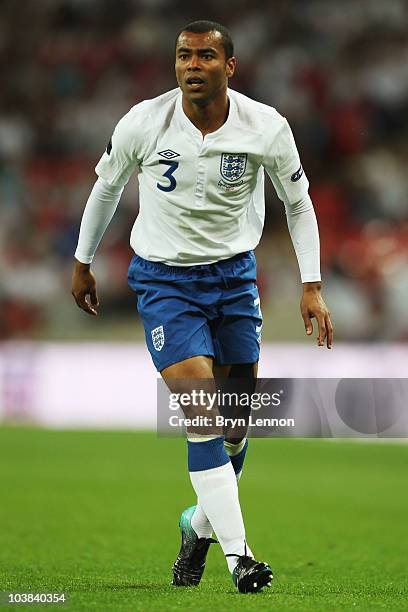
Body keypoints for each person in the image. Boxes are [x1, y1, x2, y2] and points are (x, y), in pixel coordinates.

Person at [71, 19, 333, 594]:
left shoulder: (266, 127)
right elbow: (106, 187)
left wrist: (311, 284)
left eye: (206, 57)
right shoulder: (145, 121)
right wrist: (82, 261)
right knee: (202, 413)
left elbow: (299, 203)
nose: (193, 66)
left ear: (229, 67)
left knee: (237, 427)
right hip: (165, 282)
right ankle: (242, 557)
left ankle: (197, 524)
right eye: (184, 56)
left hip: (235, 281)